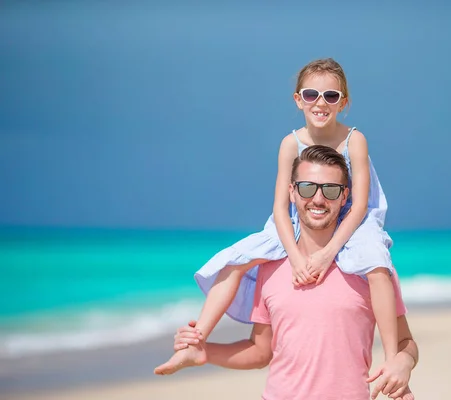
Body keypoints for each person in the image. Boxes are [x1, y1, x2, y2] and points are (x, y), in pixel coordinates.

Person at [155, 58, 399, 378]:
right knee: (238, 259)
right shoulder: (290, 143)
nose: (321, 103)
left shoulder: (355, 139)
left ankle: (393, 356)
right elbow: (280, 208)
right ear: (298, 100)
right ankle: (195, 340)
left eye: (331, 96)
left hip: (353, 216)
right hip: (299, 219)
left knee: (378, 264)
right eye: (311, 95)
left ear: (344, 102)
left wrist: (327, 254)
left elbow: (360, 204)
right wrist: (296, 258)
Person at [167, 146, 419, 400]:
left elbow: (404, 342)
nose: (318, 200)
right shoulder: (270, 266)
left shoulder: (372, 268)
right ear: (292, 192)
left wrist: (404, 362)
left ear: (345, 197)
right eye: (307, 188)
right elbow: (260, 351)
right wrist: (204, 351)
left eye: (330, 190)